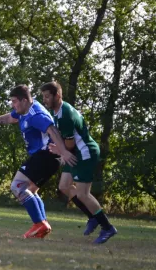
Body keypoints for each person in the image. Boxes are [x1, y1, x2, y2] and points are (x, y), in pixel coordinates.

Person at [0, 85, 76, 239]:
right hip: (46, 156)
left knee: (17, 186)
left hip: (46, 155)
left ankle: (40, 224)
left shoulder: (36, 115)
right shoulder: (24, 111)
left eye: (14, 101)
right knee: (31, 190)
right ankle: (42, 225)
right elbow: (9, 117)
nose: (13, 105)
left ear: (24, 100)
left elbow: (52, 130)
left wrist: (64, 152)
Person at [40, 81, 116, 244]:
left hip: (84, 152)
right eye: (43, 97)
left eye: (47, 96)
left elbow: (70, 143)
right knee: (64, 186)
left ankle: (107, 227)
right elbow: (67, 142)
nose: (44, 100)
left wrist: (61, 151)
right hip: (75, 152)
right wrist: (62, 150)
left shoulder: (65, 114)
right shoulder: (58, 111)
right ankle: (93, 217)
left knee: (83, 193)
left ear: (57, 95)